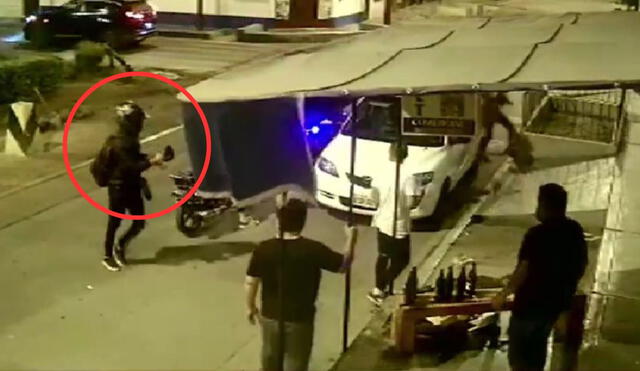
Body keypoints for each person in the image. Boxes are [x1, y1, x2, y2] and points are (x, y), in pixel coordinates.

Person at [245, 198, 358, 371]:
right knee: (296, 363)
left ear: (278, 221)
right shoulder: (313, 249)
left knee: (269, 360)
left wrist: (250, 306)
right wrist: (351, 239)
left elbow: (251, 281)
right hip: (300, 319)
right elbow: (343, 265)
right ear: (303, 221)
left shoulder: (263, 248)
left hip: (270, 316)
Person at [492, 183, 588, 371]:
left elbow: (523, 270)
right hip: (552, 308)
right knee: (537, 356)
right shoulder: (573, 230)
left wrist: (503, 294)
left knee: (521, 358)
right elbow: (579, 267)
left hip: (529, 306)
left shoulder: (536, 235)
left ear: (544, 205)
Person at [98, 101, 164, 271]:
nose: (141, 124)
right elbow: (131, 166)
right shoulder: (121, 143)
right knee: (114, 222)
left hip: (131, 185)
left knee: (139, 222)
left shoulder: (127, 141)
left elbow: (133, 158)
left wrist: (149, 159)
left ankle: (120, 246)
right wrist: (151, 162)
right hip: (119, 187)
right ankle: (108, 256)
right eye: (138, 121)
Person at [367, 141, 422, 306]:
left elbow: (374, 196)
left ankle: (378, 289)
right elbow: (411, 203)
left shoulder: (381, 172)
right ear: (405, 154)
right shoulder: (408, 176)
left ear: (390, 153)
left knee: (383, 255)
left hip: (382, 219)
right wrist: (421, 196)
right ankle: (382, 286)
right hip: (398, 223)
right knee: (402, 259)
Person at [478, 92, 518, 163]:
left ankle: (480, 153)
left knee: (487, 135)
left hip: (486, 115)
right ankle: (480, 153)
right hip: (487, 116)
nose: (502, 106)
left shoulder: (492, 101)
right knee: (487, 135)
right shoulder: (492, 105)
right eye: (502, 104)